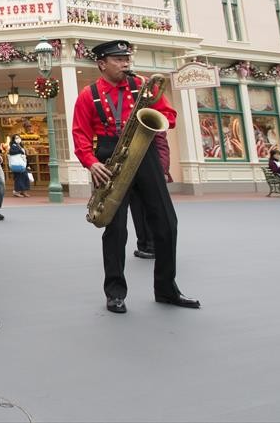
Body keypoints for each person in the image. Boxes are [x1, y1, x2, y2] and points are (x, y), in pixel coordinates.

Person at [71, 40, 199, 314]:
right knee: (115, 230)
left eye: (126, 58)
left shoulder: (143, 84)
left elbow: (169, 116)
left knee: (167, 223)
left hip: (145, 153)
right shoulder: (87, 94)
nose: (125, 63)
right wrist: (92, 163)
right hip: (109, 156)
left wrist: (154, 111)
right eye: (118, 59)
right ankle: (115, 292)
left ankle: (166, 289)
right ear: (102, 63)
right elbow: (80, 133)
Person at [129, 131, 171, 259]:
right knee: (136, 209)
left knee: (153, 209)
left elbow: (161, 144)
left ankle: (154, 246)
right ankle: (144, 245)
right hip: (131, 170)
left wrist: (163, 170)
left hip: (151, 169)